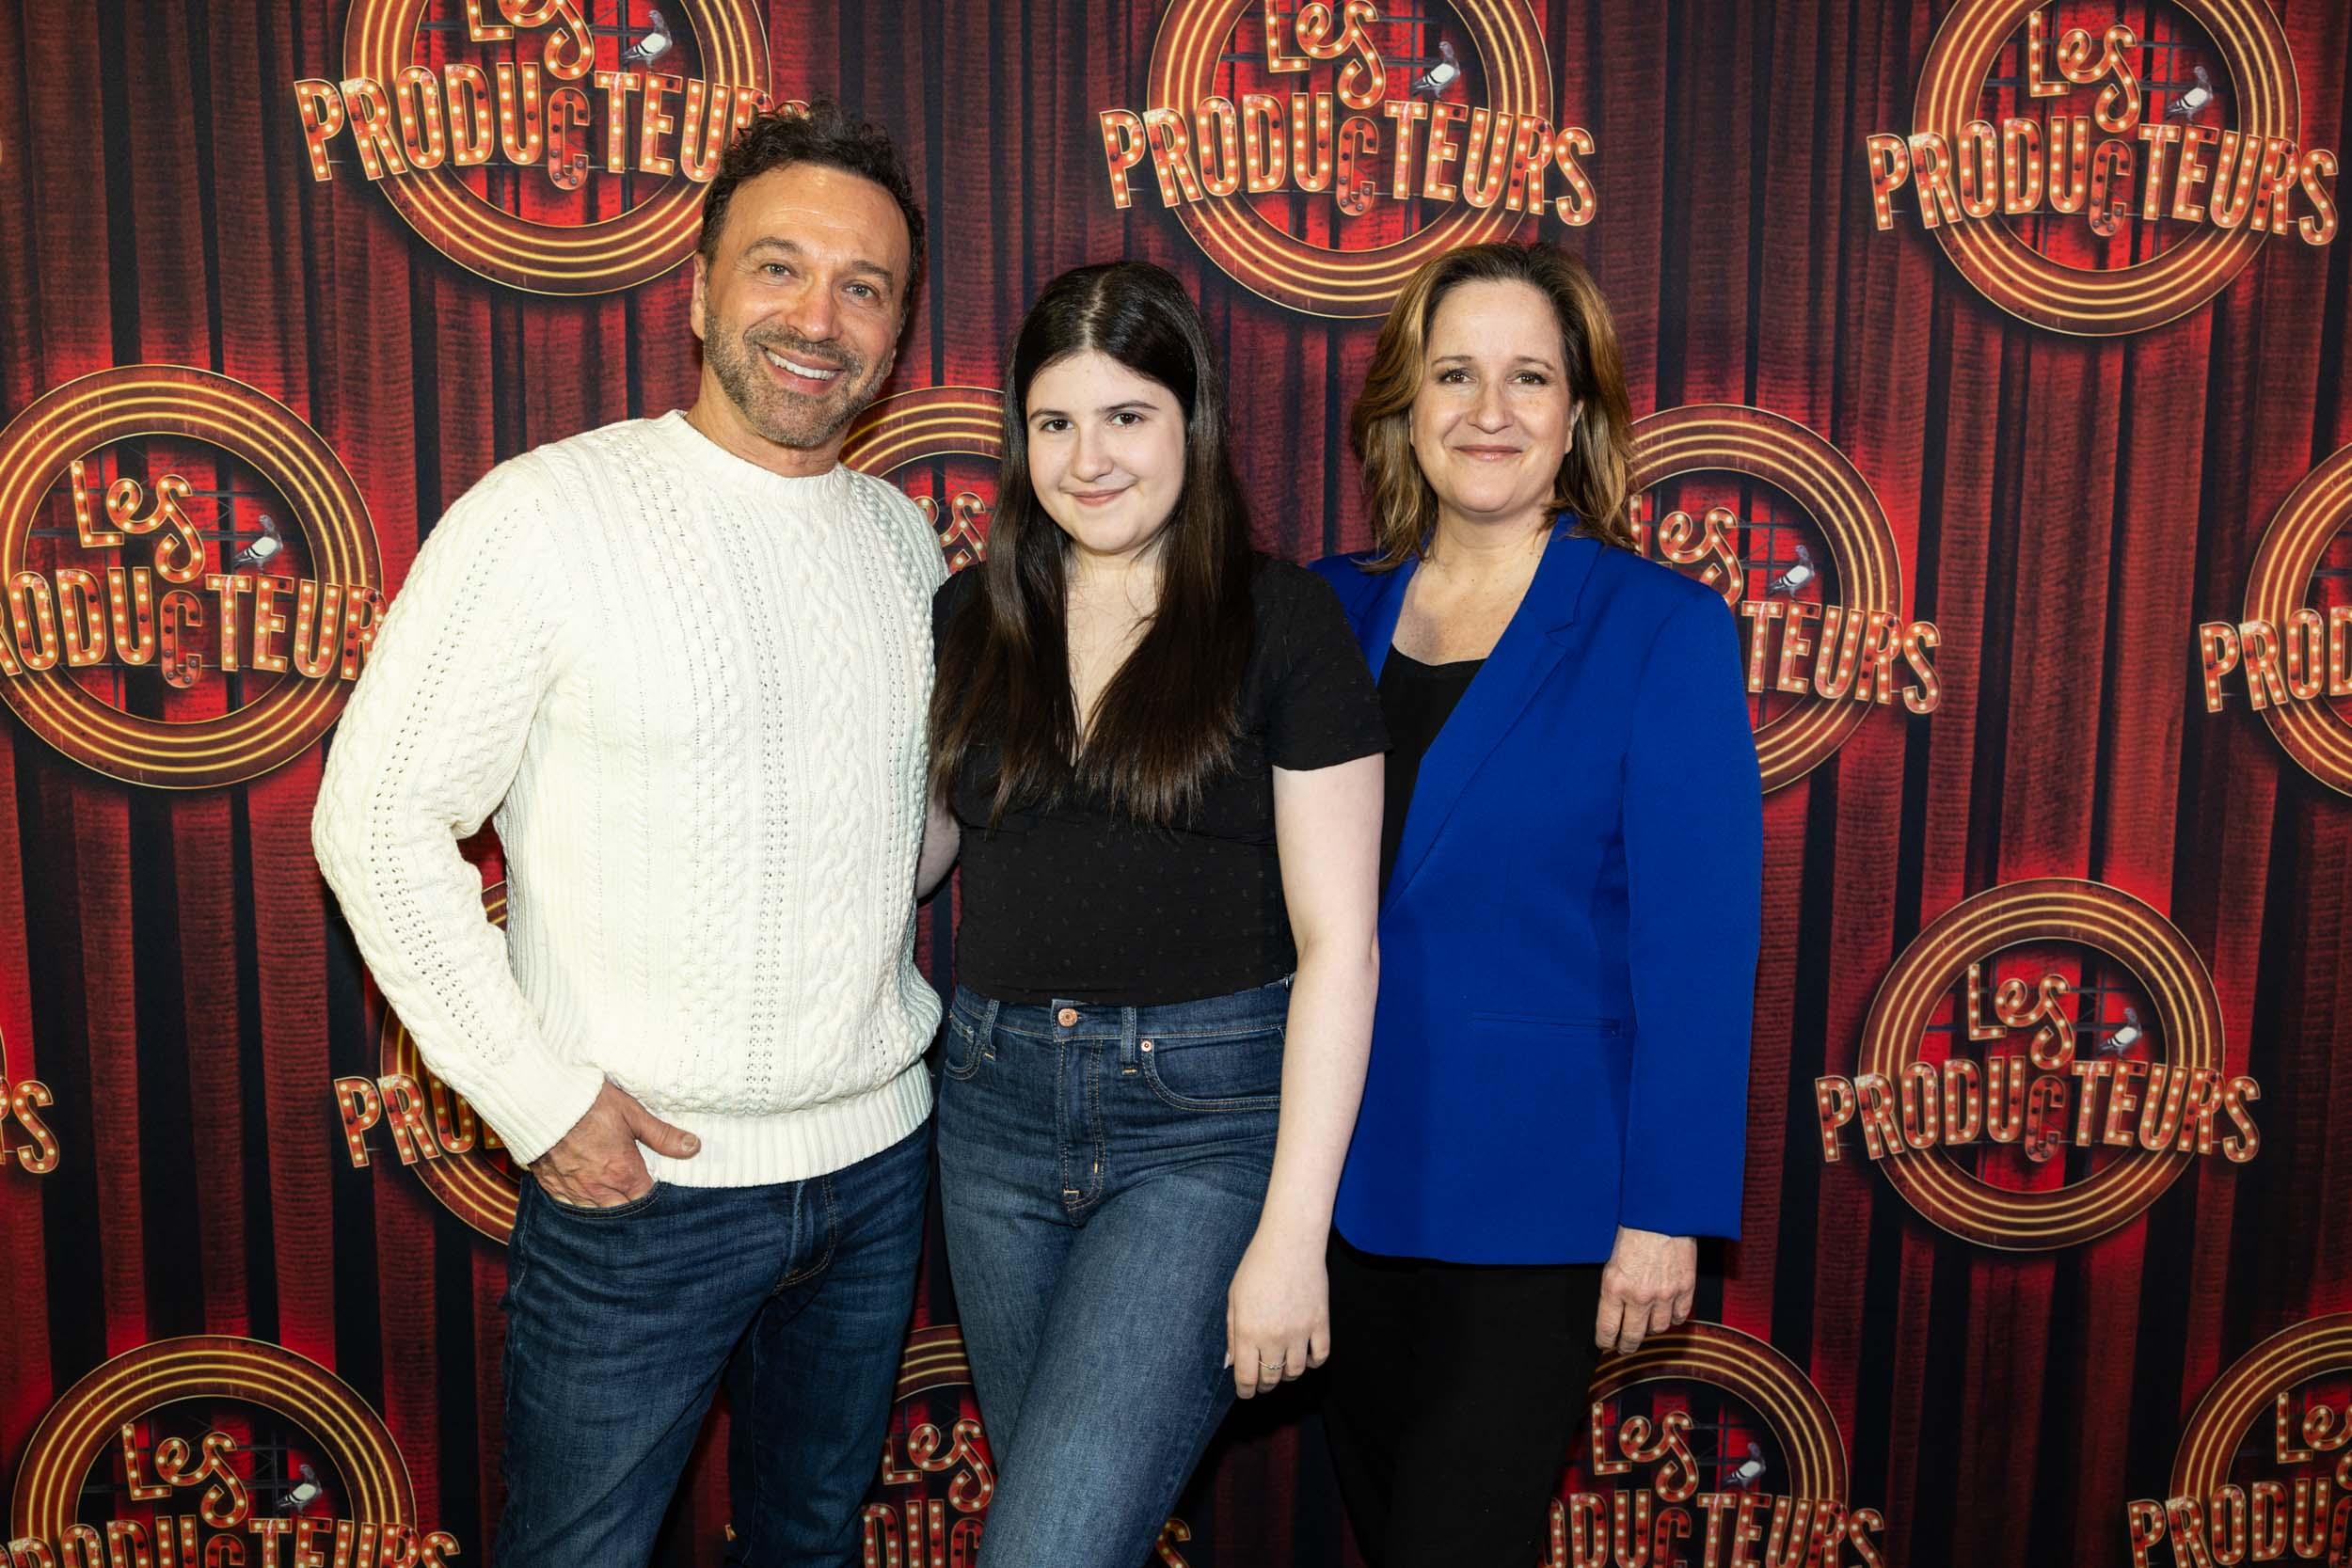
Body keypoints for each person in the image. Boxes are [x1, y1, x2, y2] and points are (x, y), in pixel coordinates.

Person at [312, 103, 944, 1568]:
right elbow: (376, 817)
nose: (818, 318)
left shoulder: (905, 543)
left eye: (865, 288)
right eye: (779, 268)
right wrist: (535, 1096)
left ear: (900, 335)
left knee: (813, 1545)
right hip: (642, 1199)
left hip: (873, 1178)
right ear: (700, 285)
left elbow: (895, 840)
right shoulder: (549, 514)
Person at [917, 259, 1386, 1566]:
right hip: (993, 1113)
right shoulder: (972, 613)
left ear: (1195, 422)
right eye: (1054, 423)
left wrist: (1294, 1233)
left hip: (1204, 1128)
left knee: (1045, 1552)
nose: (1090, 458)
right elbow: (917, 857)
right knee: (1071, 1538)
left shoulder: (1282, 623)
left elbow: (1342, 945)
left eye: (1127, 416)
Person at [1310, 241, 1764, 1567]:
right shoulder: (1328, 616)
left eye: (1528, 378)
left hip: (1541, 1204)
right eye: (1455, 373)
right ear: (1406, 403)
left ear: (1578, 417)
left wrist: (1664, 1208)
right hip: (1334, 1195)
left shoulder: (1659, 628)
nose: (1489, 411)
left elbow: (1699, 944)